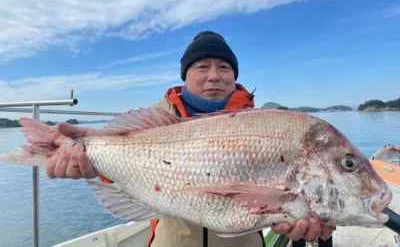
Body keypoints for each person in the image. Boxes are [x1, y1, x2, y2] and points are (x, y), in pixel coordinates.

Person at [46, 30, 334, 247]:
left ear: (234, 76)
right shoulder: (151, 121)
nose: (214, 76)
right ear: (185, 75)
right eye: (202, 67)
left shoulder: (265, 128)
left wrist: (310, 212)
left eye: (224, 67)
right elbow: (121, 173)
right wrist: (89, 163)